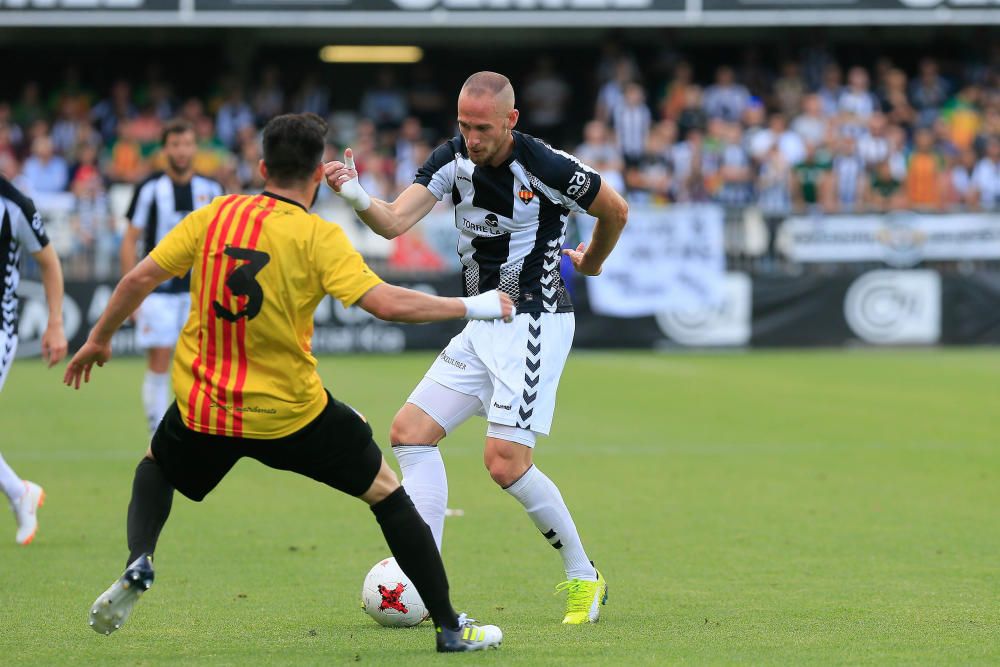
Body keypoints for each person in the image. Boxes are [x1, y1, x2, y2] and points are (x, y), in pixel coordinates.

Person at [64, 113, 510, 653]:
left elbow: (138, 277)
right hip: (293, 414)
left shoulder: (214, 215)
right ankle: (448, 628)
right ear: (318, 179)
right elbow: (388, 304)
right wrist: (474, 304)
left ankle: (140, 559)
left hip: (209, 406)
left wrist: (99, 339)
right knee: (388, 494)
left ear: (260, 167)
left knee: (156, 465)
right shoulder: (318, 236)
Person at [325, 71, 629, 624]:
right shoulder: (451, 160)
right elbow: (393, 221)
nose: (472, 138)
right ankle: (424, 570)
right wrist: (354, 193)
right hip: (483, 320)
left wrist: (595, 261)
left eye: (483, 127)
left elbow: (616, 210)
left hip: (533, 322)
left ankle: (584, 576)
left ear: (511, 121)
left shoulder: (549, 167)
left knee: (505, 464)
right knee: (410, 433)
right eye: (464, 125)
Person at [121, 119, 224, 435]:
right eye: (175, 144)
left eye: (187, 144)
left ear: (195, 147)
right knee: (160, 362)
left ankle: (201, 428)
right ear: (165, 149)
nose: (182, 151)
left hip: (200, 293)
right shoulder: (150, 188)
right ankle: (157, 430)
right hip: (158, 293)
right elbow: (130, 239)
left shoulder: (212, 188)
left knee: (204, 364)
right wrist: (132, 297)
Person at [0, 175, 67, 544]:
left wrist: (55, 323)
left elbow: (50, 263)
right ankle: (18, 492)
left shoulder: (15, 206)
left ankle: (18, 492)